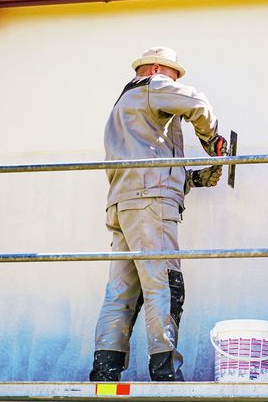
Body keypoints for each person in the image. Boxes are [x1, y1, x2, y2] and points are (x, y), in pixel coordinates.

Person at [90, 46, 226, 382]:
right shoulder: (152, 86)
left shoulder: (123, 106)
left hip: (124, 205)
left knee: (121, 291)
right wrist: (211, 140)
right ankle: (165, 372)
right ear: (154, 69)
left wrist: (191, 178)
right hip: (150, 205)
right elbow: (199, 104)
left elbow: (148, 162)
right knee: (165, 285)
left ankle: (105, 371)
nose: (173, 85)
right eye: (172, 76)